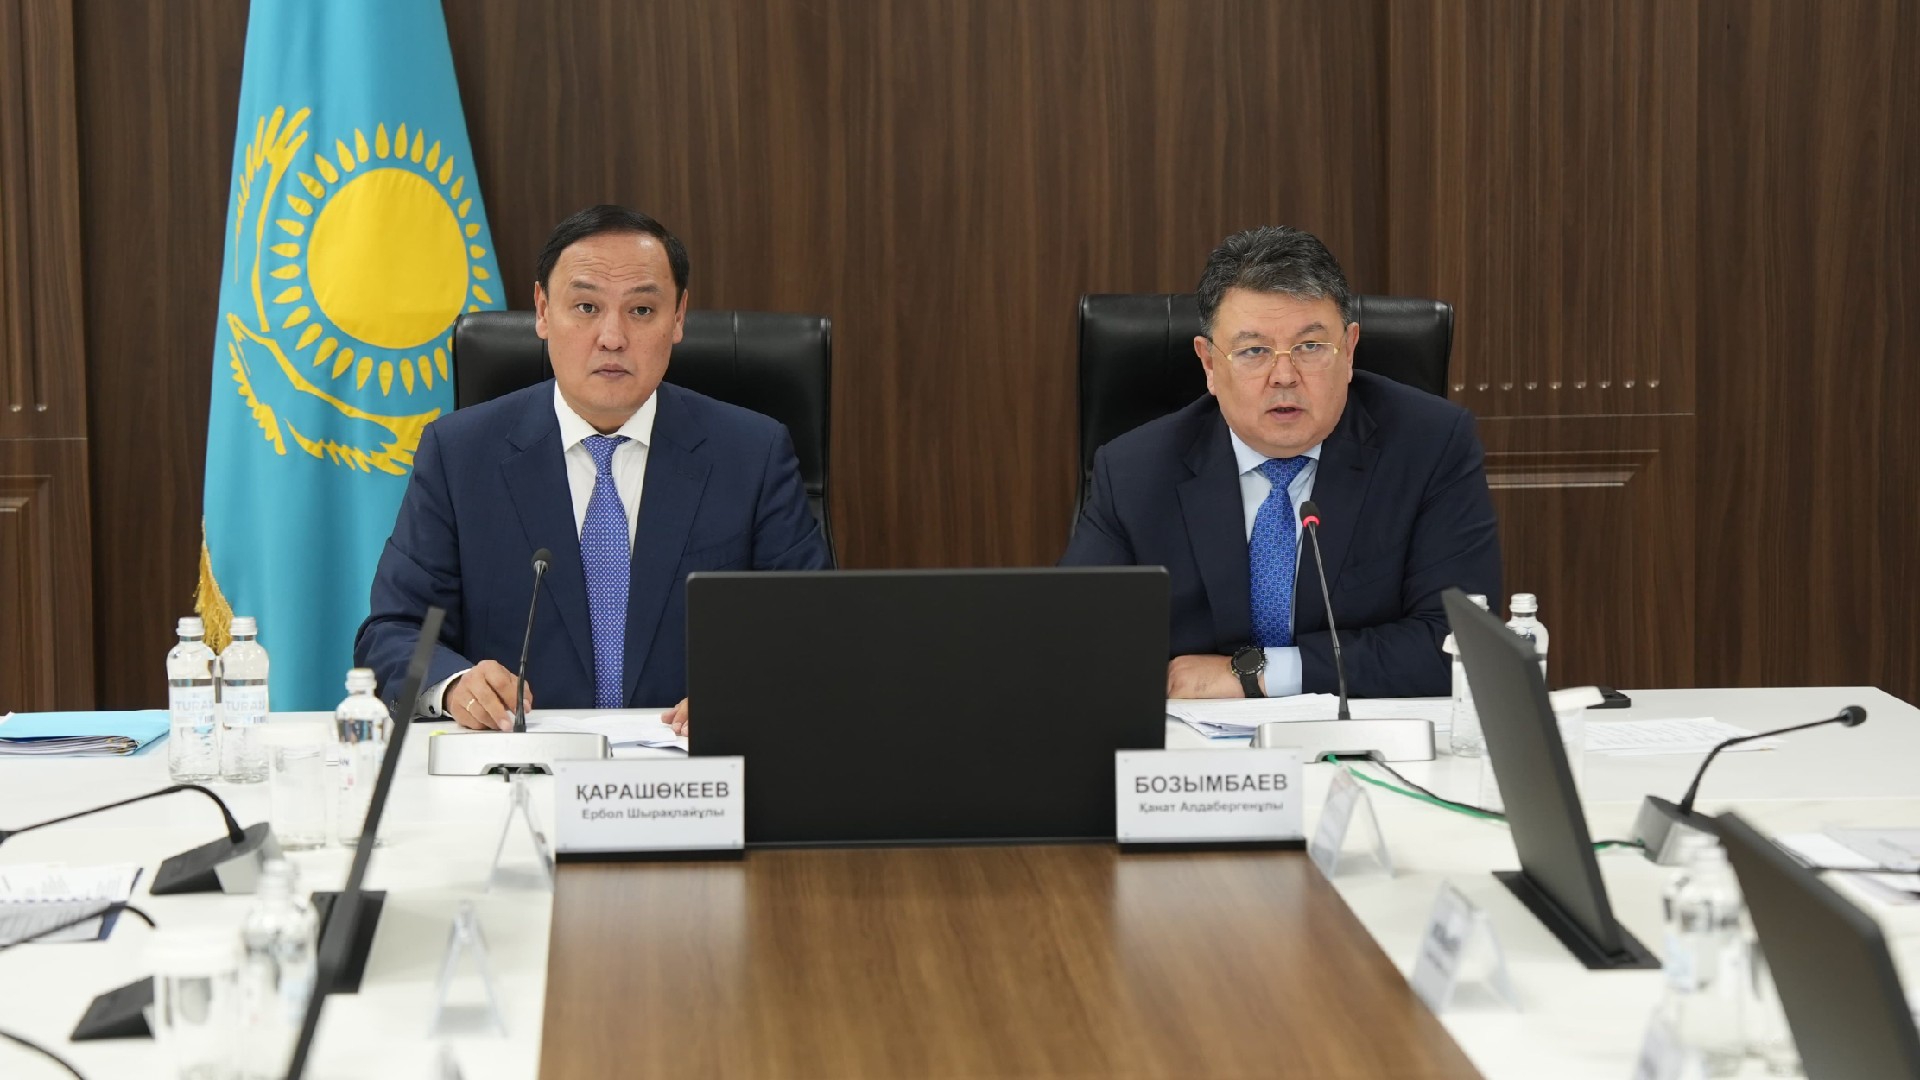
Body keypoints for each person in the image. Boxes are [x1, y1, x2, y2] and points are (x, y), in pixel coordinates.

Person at [354, 205, 830, 732]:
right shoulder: (459, 454)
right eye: (585, 306)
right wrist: (455, 684)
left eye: (642, 310)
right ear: (542, 311)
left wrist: (749, 692)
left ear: (678, 317)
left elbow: (814, 629)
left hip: (690, 765)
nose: (612, 337)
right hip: (520, 763)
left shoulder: (752, 454)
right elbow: (394, 631)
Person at [1061, 225, 1500, 699]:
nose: (1284, 376)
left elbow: (1459, 647)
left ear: (1349, 351)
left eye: (1311, 347)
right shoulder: (1135, 471)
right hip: (1195, 741)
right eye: (1253, 351)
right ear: (1209, 364)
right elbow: (1075, 647)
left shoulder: (1430, 446)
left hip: (1363, 733)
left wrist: (1254, 675)